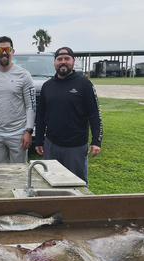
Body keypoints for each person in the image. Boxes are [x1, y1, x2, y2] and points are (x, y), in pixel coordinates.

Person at [35, 46, 103, 185]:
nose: (63, 62)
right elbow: (41, 116)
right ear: (54, 62)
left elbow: (94, 114)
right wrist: (39, 140)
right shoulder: (47, 86)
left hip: (76, 146)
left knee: (76, 184)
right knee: (50, 182)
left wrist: (96, 141)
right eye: (59, 59)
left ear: (73, 61)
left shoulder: (84, 84)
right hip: (51, 144)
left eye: (67, 59)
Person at [0, 36, 36, 163]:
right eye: (1, 50)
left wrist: (28, 131)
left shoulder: (24, 75)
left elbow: (31, 106)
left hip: (18, 133)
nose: (4, 52)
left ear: (12, 51)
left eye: (7, 49)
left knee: (19, 173)